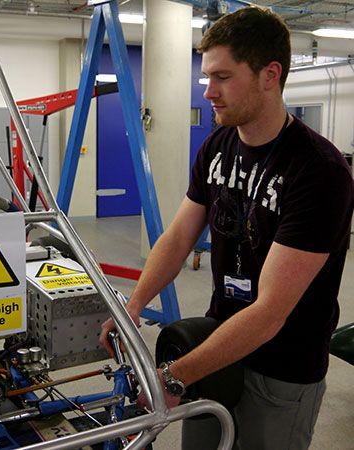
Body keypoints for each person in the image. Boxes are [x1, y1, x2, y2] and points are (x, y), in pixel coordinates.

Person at [99, 6, 354, 450]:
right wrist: (134, 305)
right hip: (217, 347)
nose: (208, 92)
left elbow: (270, 312)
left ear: (269, 75)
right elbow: (179, 237)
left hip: (281, 369)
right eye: (206, 77)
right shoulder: (218, 146)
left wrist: (174, 377)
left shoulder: (319, 171)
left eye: (222, 77)